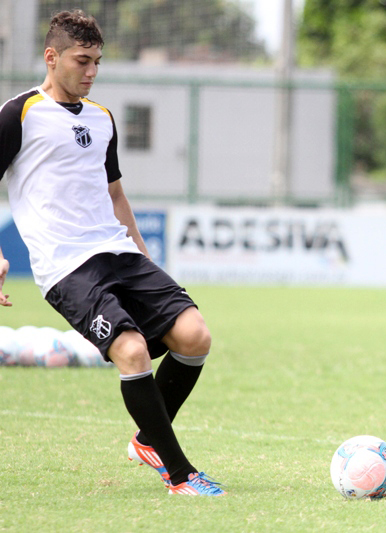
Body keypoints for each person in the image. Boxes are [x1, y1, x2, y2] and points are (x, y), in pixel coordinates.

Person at [0, 10, 224, 496]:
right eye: (83, 61)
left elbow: (116, 195)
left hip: (118, 252)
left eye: (98, 62)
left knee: (195, 336)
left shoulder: (102, 119)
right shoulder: (18, 113)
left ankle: (147, 441)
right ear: (51, 57)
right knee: (132, 349)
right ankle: (180, 474)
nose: (92, 71)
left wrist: (145, 258)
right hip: (66, 267)